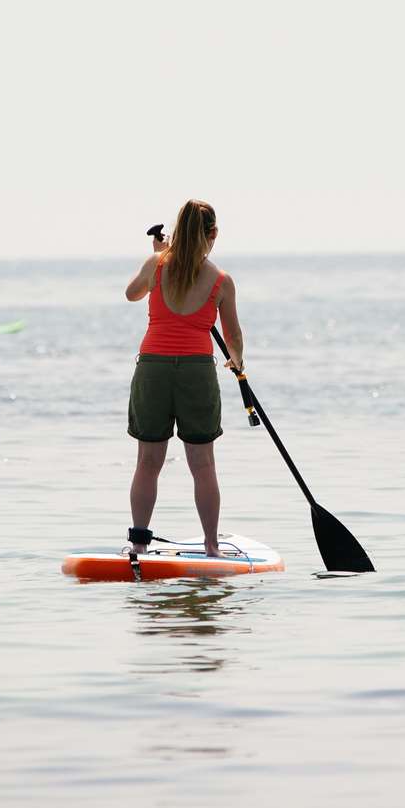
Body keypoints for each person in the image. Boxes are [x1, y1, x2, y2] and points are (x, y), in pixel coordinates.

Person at [122, 200, 244, 558]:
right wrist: (237, 365)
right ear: (213, 235)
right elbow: (233, 339)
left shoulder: (155, 265)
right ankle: (211, 546)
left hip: (153, 369)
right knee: (203, 464)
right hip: (196, 371)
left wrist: (160, 256)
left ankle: (139, 543)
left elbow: (132, 294)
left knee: (148, 462)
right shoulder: (221, 281)